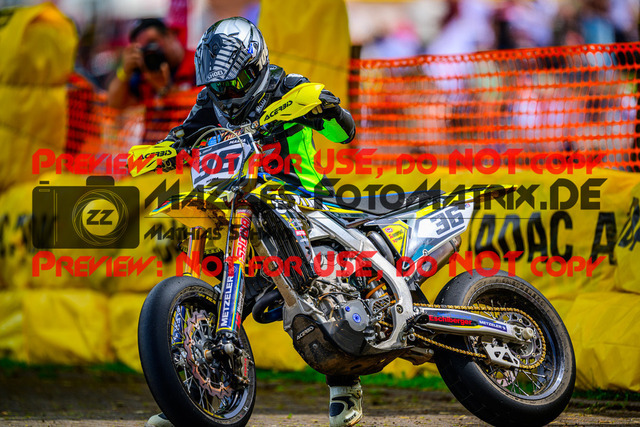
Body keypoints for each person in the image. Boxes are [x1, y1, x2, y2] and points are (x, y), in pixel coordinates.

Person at [144, 17, 359, 427]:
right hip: (246, 205)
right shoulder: (210, 101)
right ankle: (188, 396)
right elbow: (185, 134)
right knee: (235, 292)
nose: (226, 93)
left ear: (255, 66)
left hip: (304, 200)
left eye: (233, 83)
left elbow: (344, 133)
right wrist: (161, 151)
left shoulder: (288, 86)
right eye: (218, 86)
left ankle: (345, 385)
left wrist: (327, 108)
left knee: (327, 291)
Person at [107, 18, 196, 109]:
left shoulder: (199, 63)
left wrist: (165, 89)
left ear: (170, 35)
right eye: (143, 48)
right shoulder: (144, 74)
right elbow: (114, 105)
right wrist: (124, 71)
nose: (149, 51)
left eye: (152, 43)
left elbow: (200, 109)